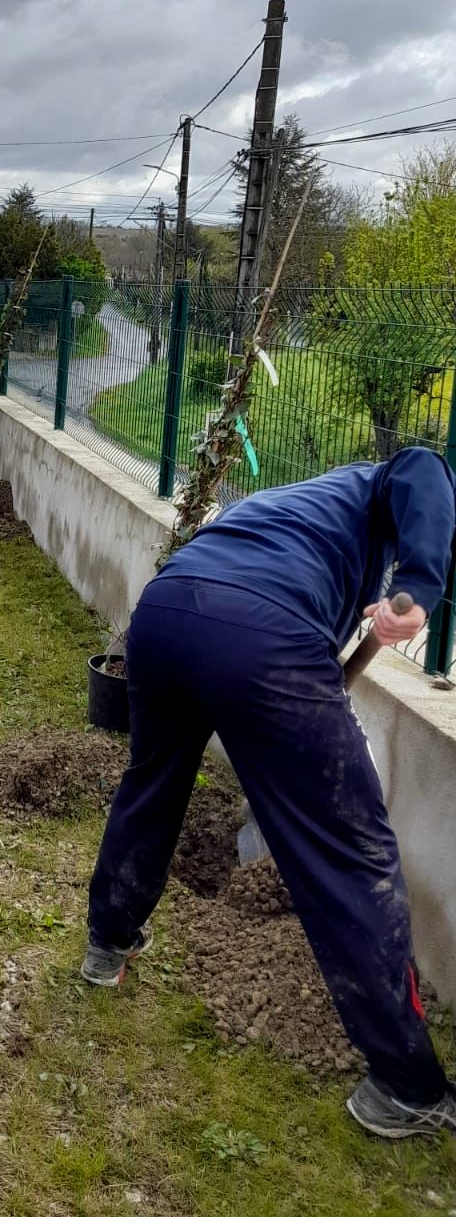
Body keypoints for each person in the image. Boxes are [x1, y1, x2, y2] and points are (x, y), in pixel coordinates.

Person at [81, 448, 456, 1139]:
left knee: (152, 786)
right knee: (351, 852)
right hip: (265, 634)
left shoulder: (299, 500)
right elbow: (422, 471)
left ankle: (107, 943)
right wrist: (421, 591)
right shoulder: (395, 478)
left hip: (164, 612)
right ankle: (404, 1085)